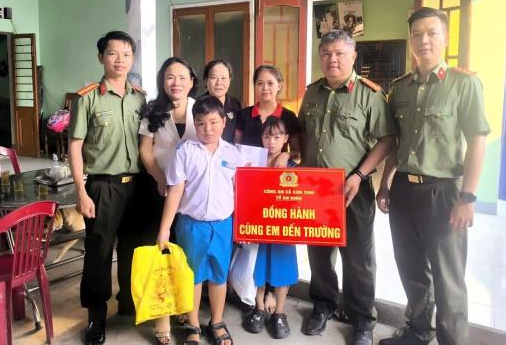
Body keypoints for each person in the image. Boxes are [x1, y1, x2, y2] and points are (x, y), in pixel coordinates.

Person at [377, 7, 490, 345]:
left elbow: (477, 140)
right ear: (410, 40)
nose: (423, 40)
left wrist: (467, 197)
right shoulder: (400, 89)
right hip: (404, 191)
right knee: (411, 268)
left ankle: (453, 340)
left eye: (431, 33)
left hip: (444, 193)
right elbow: (396, 143)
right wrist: (385, 184)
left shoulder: (464, 83)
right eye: (417, 34)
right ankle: (417, 331)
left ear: (445, 38)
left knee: (448, 277)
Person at [298, 30, 396, 345]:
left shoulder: (370, 94)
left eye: (340, 53)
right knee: (319, 254)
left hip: (354, 188)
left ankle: (362, 319)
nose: (333, 59)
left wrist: (359, 174)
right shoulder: (312, 93)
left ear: (353, 56)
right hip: (316, 189)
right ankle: (323, 304)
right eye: (326, 53)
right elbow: (302, 133)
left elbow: (387, 140)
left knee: (358, 259)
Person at [68, 31, 146, 345]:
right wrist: (81, 191)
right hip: (102, 187)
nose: (120, 60)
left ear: (132, 59)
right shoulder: (87, 97)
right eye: (113, 53)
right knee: (99, 253)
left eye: (126, 54)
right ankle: (96, 317)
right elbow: (75, 146)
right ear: (101, 57)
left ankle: (128, 302)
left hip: (137, 187)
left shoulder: (140, 97)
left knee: (133, 249)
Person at [157, 96, 240, 345]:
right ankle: (192, 324)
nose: (208, 129)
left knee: (219, 276)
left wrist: (243, 226)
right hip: (192, 226)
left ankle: (217, 321)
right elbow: (175, 192)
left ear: (224, 122)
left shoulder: (232, 153)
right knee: (192, 276)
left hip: (223, 225)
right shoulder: (184, 152)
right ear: (194, 124)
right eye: (201, 123)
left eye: (214, 122)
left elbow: (238, 192)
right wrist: (164, 229)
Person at [138, 56, 198, 344]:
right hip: (159, 189)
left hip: (193, 193)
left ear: (192, 81)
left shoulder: (201, 108)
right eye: (170, 77)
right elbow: (146, 150)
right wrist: (159, 176)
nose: (176, 82)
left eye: (182, 77)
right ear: (163, 82)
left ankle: (183, 308)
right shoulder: (153, 111)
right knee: (161, 249)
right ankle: (161, 319)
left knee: (185, 252)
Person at [242, 116, 298, 339]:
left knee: (282, 268)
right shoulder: (254, 162)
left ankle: (280, 313)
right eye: (267, 137)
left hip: (284, 228)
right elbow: (244, 194)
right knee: (259, 268)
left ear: (286, 138)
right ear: (261, 138)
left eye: (277, 137)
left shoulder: (292, 167)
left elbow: (300, 199)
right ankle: (259, 308)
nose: (271, 142)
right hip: (258, 226)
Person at [235, 65, 300, 164]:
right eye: (260, 83)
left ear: (279, 86)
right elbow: (236, 149)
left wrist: (286, 155)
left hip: (277, 172)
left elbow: (297, 153)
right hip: (249, 171)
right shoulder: (243, 115)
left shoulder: (289, 117)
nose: (265, 88)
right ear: (255, 86)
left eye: (270, 83)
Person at [198, 59, 242, 143]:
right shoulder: (196, 104)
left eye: (223, 78)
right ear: (206, 80)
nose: (219, 83)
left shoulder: (236, 104)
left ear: (229, 80)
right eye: (214, 77)